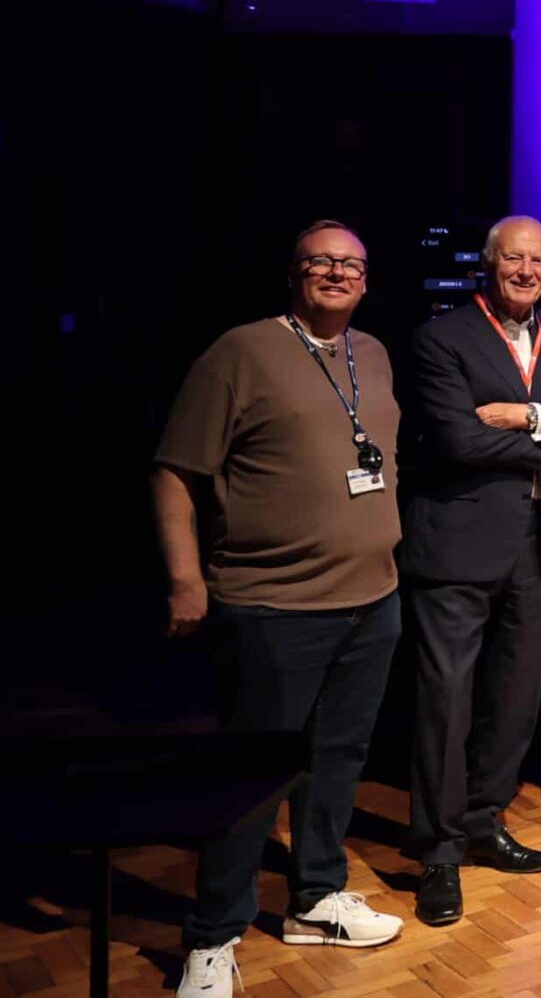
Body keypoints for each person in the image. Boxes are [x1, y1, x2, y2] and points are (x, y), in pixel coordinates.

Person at [154, 223, 406, 998]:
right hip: (273, 606)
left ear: (366, 281)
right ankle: (213, 934)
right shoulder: (241, 351)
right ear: (294, 274)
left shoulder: (372, 352)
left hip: (373, 599)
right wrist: (185, 578)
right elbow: (174, 471)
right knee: (252, 777)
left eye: (351, 264)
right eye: (321, 261)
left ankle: (315, 897)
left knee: (339, 759)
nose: (337, 272)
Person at [398, 216, 541, 926]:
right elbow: (457, 438)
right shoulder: (442, 336)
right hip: (458, 543)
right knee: (446, 701)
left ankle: (482, 819)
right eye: (513, 259)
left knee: (516, 698)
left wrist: (523, 417)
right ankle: (437, 850)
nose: (526, 271)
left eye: (538, 261)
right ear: (489, 263)